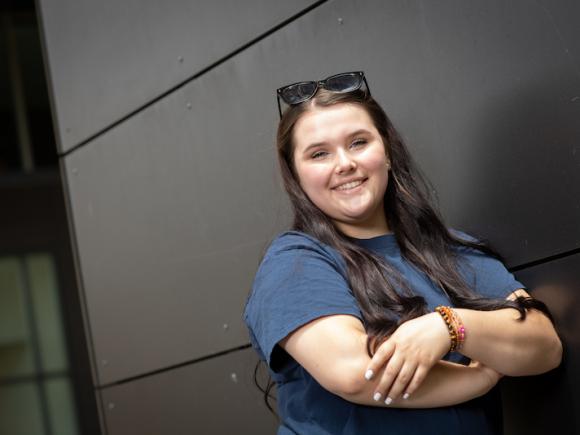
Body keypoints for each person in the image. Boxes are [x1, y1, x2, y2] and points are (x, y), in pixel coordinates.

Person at [243, 71, 562, 434]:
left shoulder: (447, 249)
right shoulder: (296, 260)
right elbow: (356, 373)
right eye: (319, 154)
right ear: (297, 176)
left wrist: (450, 327)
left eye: (358, 142)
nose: (344, 163)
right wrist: (482, 378)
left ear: (388, 152)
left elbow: (543, 345)